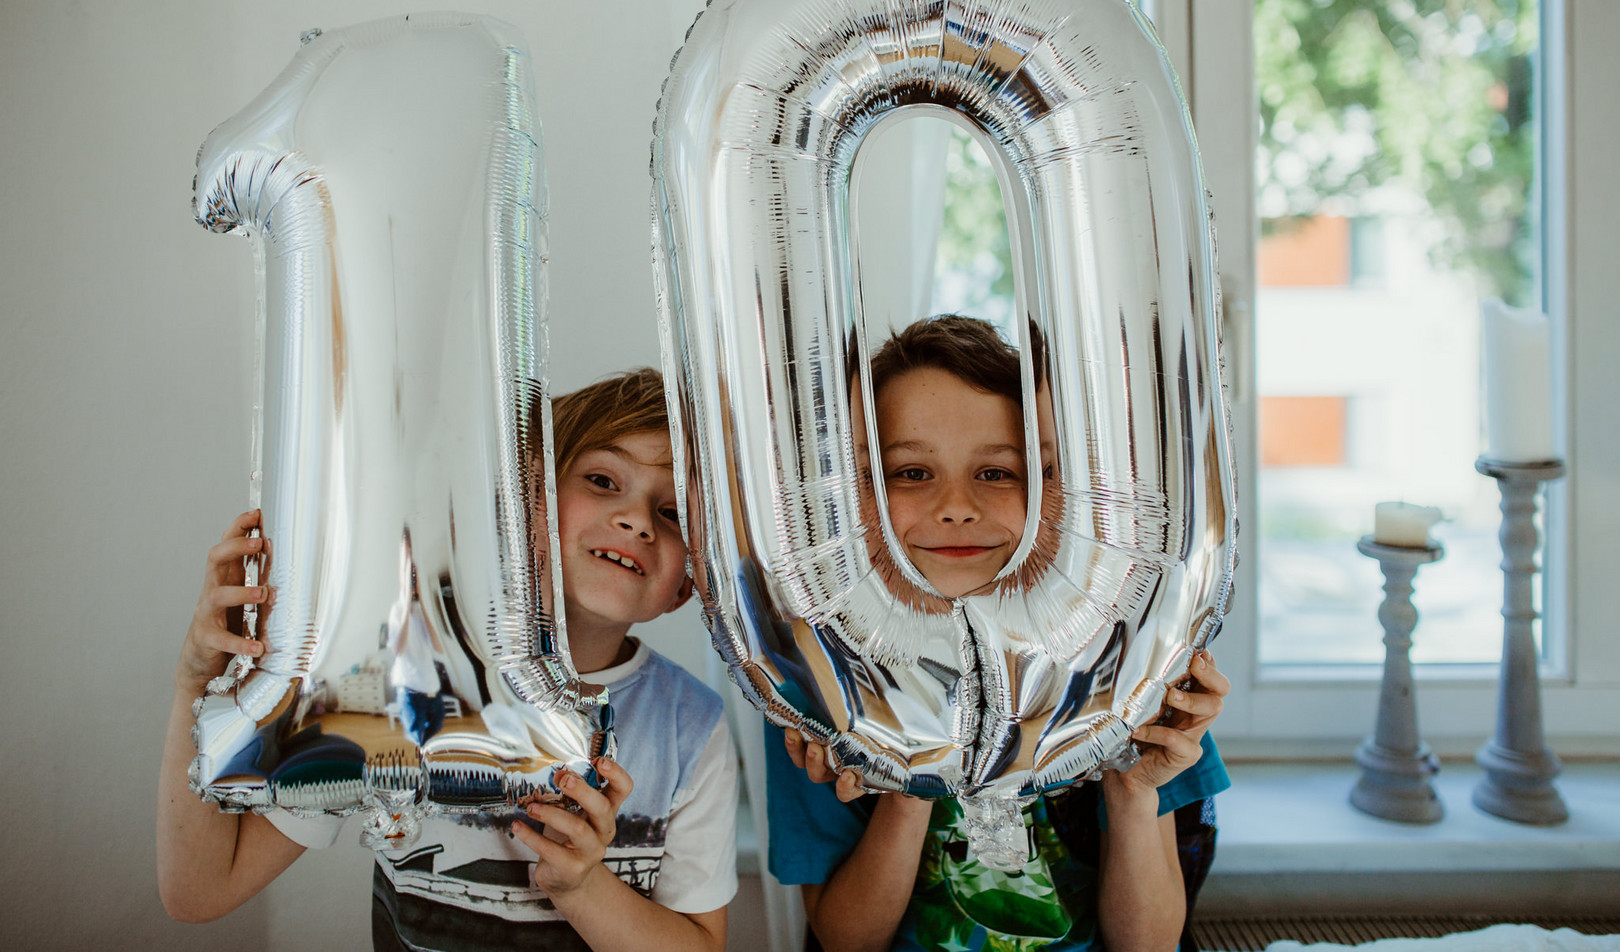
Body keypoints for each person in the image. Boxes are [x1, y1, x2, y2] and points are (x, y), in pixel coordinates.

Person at [158, 369, 736, 952]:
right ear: (525, 507)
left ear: (689, 584)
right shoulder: (393, 683)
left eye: (671, 513)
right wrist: (195, 684)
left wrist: (583, 886)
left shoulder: (693, 727)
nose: (637, 518)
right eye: (603, 480)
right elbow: (201, 892)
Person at [766, 316, 1231, 952]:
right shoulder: (824, 677)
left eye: (996, 473)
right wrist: (911, 776)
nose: (956, 506)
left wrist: (1133, 786)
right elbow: (847, 939)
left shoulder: (1124, 664)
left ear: (1050, 489)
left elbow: (1147, 944)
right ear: (860, 495)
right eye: (911, 473)